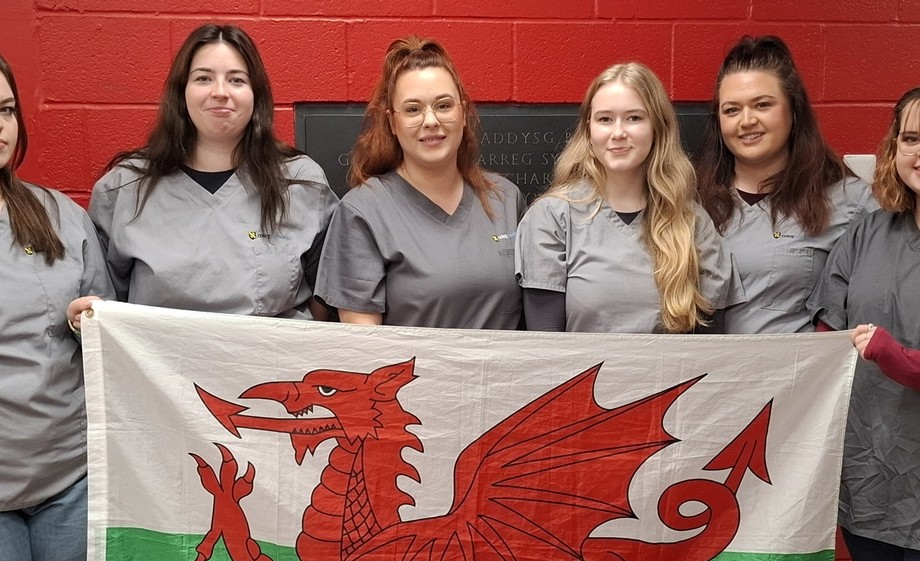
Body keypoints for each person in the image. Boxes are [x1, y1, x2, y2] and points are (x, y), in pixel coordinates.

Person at [69, 23, 336, 324]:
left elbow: (329, 294)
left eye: (236, 80)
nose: (220, 92)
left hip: (274, 368)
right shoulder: (125, 189)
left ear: (255, 95)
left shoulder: (301, 183)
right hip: (160, 368)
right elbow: (103, 308)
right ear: (181, 92)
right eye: (203, 78)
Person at [0, 55, 114, 561]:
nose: (0, 126)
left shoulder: (58, 216)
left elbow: (103, 332)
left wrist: (89, 320)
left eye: (6, 110)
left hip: (67, 479)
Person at [808, 86, 920, 561]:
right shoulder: (868, 232)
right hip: (873, 474)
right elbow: (828, 328)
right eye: (912, 138)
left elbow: (876, 348)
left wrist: (890, 353)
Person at [314, 36, 525, 329]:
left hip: (503, 374)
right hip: (417, 375)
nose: (431, 121)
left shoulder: (506, 199)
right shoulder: (362, 212)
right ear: (391, 122)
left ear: (463, 113)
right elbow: (363, 346)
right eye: (413, 109)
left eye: (443, 105)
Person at [515, 62, 741, 333]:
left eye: (634, 118)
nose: (618, 133)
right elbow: (546, 347)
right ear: (589, 129)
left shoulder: (693, 223)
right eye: (605, 119)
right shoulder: (551, 218)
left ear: (657, 127)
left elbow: (710, 351)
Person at [696, 35, 877, 333]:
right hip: (701, 376)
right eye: (731, 110)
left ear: (793, 110)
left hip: (795, 376)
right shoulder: (691, 198)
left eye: (762, 105)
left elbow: (884, 296)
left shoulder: (847, 201)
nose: (746, 120)